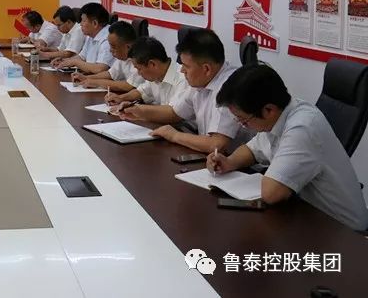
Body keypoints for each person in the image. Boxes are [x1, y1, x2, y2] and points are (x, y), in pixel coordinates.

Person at [210, 64, 368, 231]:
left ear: (268, 110)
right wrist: (229, 162)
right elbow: (252, 150)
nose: (243, 125)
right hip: (307, 215)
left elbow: (271, 193)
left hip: (343, 231)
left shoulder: (303, 128)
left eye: (243, 120)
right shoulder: (278, 115)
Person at [119, 28, 250, 153]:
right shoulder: (201, 80)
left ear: (206, 69)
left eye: (186, 66)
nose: (182, 70)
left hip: (237, 163)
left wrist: (174, 135)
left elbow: (216, 144)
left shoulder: (229, 86)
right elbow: (174, 113)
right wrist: (139, 111)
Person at [107, 37, 189, 108]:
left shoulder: (183, 79)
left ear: (152, 64)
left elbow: (172, 113)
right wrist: (121, 98)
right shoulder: (156, 75)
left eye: (139, 69)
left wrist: (137, 109)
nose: (139, 73)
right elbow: (141, 91)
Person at [72, 21, 144, 92]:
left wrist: (96, 82)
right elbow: (110, 74)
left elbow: (128, 86)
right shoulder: (123, 57)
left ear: (128, 47)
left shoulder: (140, 59)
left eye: (113, 47)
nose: (110, 50)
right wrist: (86, 78)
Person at [54, 2, 115, 73]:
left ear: (95, 23)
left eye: (83, 21)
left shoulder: (108, 38)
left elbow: (100, 69)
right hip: (90, 76)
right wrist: (64, 61)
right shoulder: (91, 35)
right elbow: (81, 57)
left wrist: (75, 62)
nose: (80, 24)